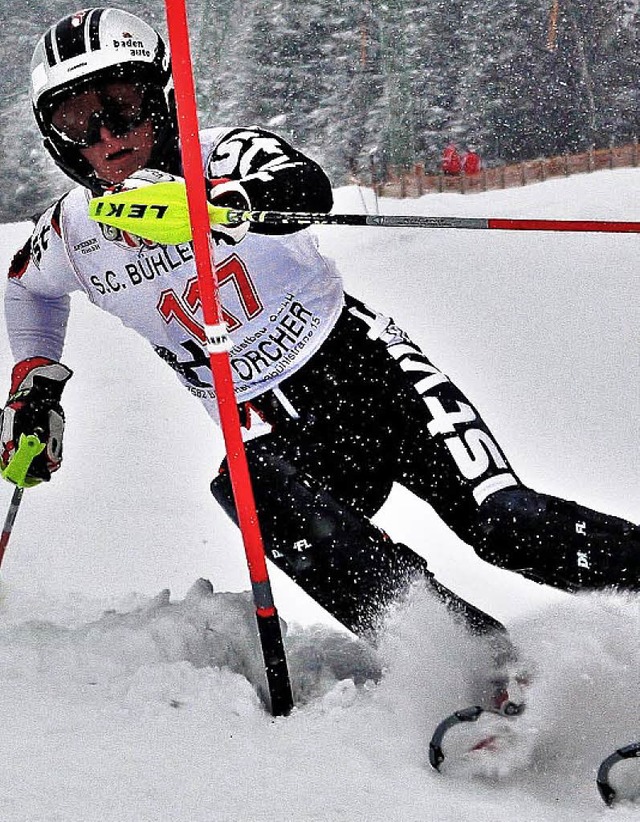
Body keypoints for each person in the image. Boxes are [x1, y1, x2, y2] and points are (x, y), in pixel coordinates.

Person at [3, 9, 638, 681]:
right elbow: (26, 289)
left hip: (371, 376)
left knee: (506, 526)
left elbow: (303, 182)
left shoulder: (224, 153)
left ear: (159, 96)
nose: (106, 136)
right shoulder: (74, 233)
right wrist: (36, 384)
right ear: (57, 139)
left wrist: (221, 203)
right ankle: (477, 663)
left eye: (122, 105)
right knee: (245, 484)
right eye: (78, 120)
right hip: (294, 438)